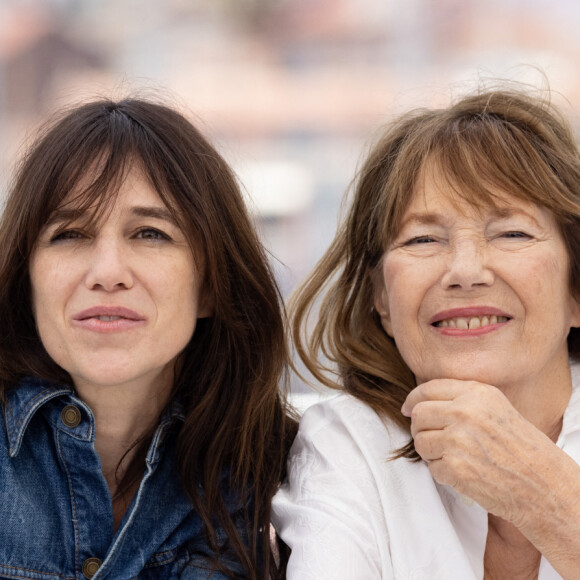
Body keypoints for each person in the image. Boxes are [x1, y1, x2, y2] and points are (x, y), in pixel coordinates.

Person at [272, 87, 580, 579]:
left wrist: (544, 495)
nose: (465, 271)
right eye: (423, 239)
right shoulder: (350, 441)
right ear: (382, 301)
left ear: (576, 290)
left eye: (511, 233)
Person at [0, 97, 296, 579]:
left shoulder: (282, 476)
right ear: (25, 281)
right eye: (70, 234)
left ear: (210, 286)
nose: (108, 273)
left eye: (150, 233)